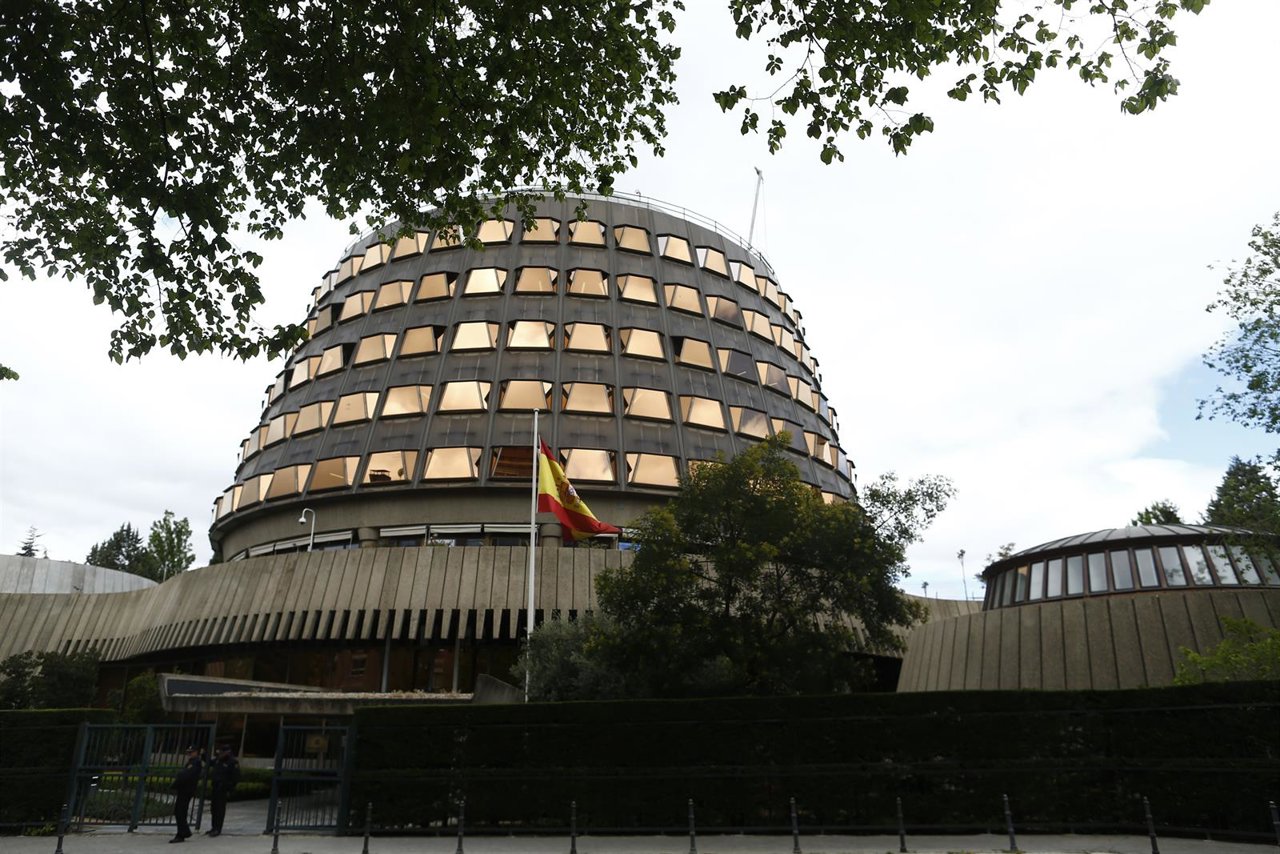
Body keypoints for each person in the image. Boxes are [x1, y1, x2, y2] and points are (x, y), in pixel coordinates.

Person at [170, 746, 204, 843]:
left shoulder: (196, 762)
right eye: (188, 752)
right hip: (184, 789)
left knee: (180, 811)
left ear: (196, 752)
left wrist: (176, 783)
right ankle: (184, 832)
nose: (189, 754)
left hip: (187, 790)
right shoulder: (191, 762)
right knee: (179, 811)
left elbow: (186, 775)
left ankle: (182, 834)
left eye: (191, 752)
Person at [206, 744, 241, 837]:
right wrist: (203, 755)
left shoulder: (233, 762)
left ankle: (218, 828)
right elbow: (209, 762)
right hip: (215, 787)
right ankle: (213, 827)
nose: (220, 754)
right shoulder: (218, 759)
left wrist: (229, 788)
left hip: (223, 789)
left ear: (228, 752)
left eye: (222, 752)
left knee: (219, 810)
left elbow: (236, 777)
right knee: (213, 809)